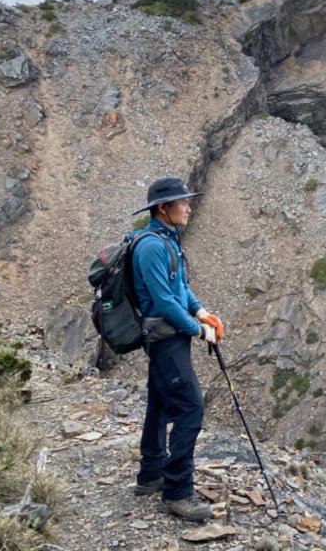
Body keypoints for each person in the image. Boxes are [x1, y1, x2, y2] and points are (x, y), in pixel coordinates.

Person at [130, 177, 225, 522]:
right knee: (190, 407)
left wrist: (202, 312)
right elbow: (165, 303)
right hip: (165, 340)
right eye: (182, 202)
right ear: (162, 208)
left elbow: (181, 288)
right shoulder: (153, 246)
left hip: (169, 338)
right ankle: (177, 491)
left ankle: (150, 474)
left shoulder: (168, 239)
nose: (188, 207)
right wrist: (200, 331)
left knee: (159, 403)